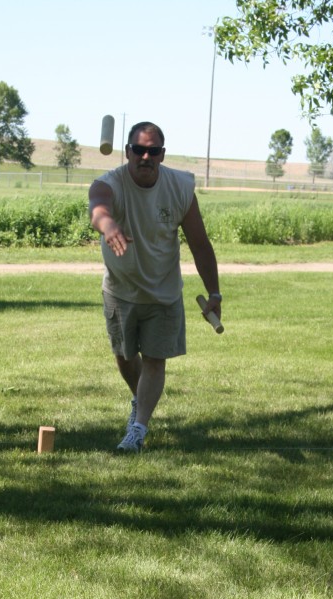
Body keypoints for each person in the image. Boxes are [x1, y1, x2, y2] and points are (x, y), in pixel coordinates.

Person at [89, 121, 222, 453]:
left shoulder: (179, 187)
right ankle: (141, 401)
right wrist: (108, 227)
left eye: (153, 151)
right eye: (138, 150)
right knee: (124, 355)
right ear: (127, 152)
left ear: (162, 155)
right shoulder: (110, 183)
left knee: (154, 359)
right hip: (120, 289)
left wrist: (215, 293)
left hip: (164, 292)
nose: (145, 156)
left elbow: (200, 244)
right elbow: (98, 208)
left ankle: (138, 430)